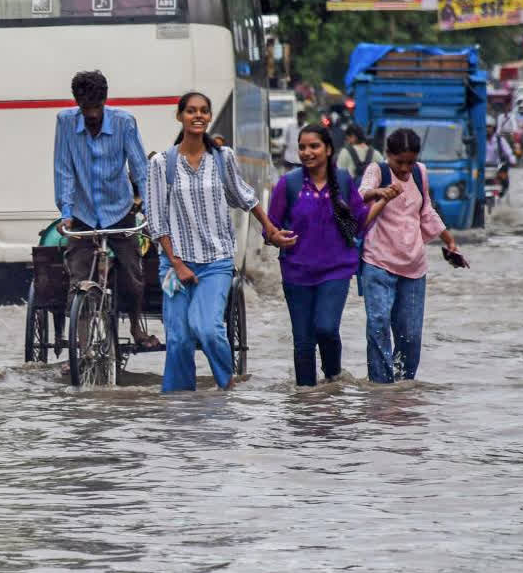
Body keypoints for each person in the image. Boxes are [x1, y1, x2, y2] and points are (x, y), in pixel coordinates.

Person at [145, 91, 291, 392]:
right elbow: (157, 220)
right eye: (191, 111)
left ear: (209, 117)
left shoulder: (223, 158)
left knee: (207, 328)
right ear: (180, 116)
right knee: (178, 339)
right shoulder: (162, 163)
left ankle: (227, 387)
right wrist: (176, 263)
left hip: (216, 261)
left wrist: (271, 230)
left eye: (203, 111)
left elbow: (245, 197)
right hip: (175, 264)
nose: (198, 116)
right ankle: (179, 406)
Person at [268, 125, 389, 387]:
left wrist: (381, 202)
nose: (307, 152)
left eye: (314, 146)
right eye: (302, 147)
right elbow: (271, 227)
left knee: (326, 328)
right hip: (296, 272)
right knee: (302, 342)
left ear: (328, 149)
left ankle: (333, 380)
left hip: (336, 270)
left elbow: (358, 223)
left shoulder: (343, 181)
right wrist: (274, 237)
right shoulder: (288, 184)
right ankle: (308, 403)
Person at [53, 70, 158, 355]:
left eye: (96, 108)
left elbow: (140, 170)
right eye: (86, 109)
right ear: (77, 105)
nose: (92, 115)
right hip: (83, 212)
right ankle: (84, 348)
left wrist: (149, 209)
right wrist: (66, 211)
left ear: (104, 102)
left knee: (133, 275)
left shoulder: (124, 123)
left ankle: (136, 325)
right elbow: (63, 169)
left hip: (119, 210)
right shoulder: (65, 123)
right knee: (77, 275)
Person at [358, 128, 463, 384]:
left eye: (410, 162)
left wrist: (449, 241)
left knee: (410, 335)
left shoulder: (420, 172)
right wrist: (379, 192)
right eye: (399, 162)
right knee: (379, 325)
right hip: (377, 262)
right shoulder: (377, 170)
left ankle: (403, 388)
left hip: (414, 264)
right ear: (388, 156)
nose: (405, 169)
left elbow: (426, 211)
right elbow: (360, 196)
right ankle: (381, 387)